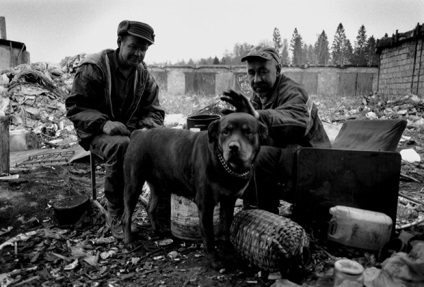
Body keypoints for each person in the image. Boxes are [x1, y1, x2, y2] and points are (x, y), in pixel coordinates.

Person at [65, 20, 165, 239]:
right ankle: (116, 212)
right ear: (120, 42)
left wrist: (147, 126)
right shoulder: (95, 67)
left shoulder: (143, 75)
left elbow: (155, 111)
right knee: (122, 146)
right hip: (94, 131)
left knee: (160, 142)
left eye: (143, 49)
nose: (138, 53)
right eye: (133, 47)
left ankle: (161, 210)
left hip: (129, 131)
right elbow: (75, 109)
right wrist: (104, 123)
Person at [221, 46, 331, 214]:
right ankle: (250, 206)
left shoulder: (293, 91)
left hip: (313, 163)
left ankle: (267, 215)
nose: (256, 79)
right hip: (290, 157)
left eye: (263, 71)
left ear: (278, 70)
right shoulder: (259, 96)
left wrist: (257, 116)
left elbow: (298, 122)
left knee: (261, 155)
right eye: (251, 73)